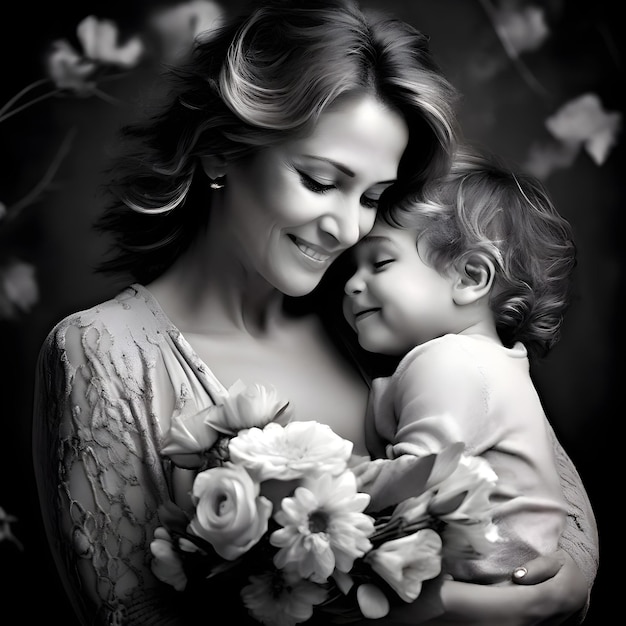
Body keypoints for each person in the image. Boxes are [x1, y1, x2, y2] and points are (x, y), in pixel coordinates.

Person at [31, 1, 597, 625]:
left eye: (374, 197)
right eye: (321, 181)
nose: (347, 228)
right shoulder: (104, 352)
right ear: (221, 149)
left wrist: (551, 589)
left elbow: (557, 513)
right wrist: (516, 606)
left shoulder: (377, 320)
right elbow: (131, 616)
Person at [342, 146, 588, 590]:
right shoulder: (497, 364)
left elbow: (416, 481)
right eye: (351, 266)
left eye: (379, 262)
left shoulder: (451, 361)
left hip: (491, 588)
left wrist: (317, 479)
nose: (351, 284)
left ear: (470, 277)